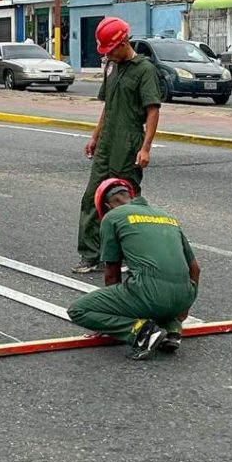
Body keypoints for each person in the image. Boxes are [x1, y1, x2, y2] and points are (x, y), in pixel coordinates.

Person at [67, 178, 200, 360]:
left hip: (151, 296)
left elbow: (112, 274)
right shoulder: (167, 217)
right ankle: (172, 330)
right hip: (183, 297)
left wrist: (110, 319)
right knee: (158, 297)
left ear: (106, 206)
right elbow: (195, 269)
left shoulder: (113, 217)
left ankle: (143, 333)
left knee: (77, 310)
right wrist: (184, 306)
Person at [73, 16, 161, 274]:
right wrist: (94, 136)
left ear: (123, 43)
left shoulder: (145, 70)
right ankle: (91, 255)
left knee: (124, 201)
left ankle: (131, 255)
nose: (107, 55)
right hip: (107, 142)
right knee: (92, 198)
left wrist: (145, 148)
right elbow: (108, 106)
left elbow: (153, 111)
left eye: (110, 50)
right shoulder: (111, 67)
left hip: (129, 143)